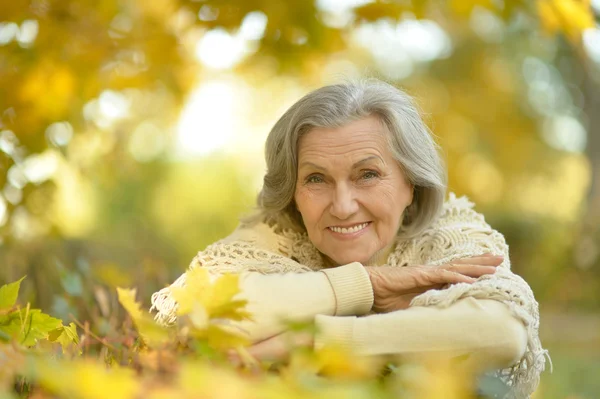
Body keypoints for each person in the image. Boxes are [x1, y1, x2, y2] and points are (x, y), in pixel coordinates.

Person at [151, 79, 548, 398]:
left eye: (368, 174)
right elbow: (200, 315)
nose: (342, 206)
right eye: (316, 179)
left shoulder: (452, 230)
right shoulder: (275, 232)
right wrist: (367, 286)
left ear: (410, 182)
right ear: (293, 192)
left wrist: (313, 339)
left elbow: (502, 331)